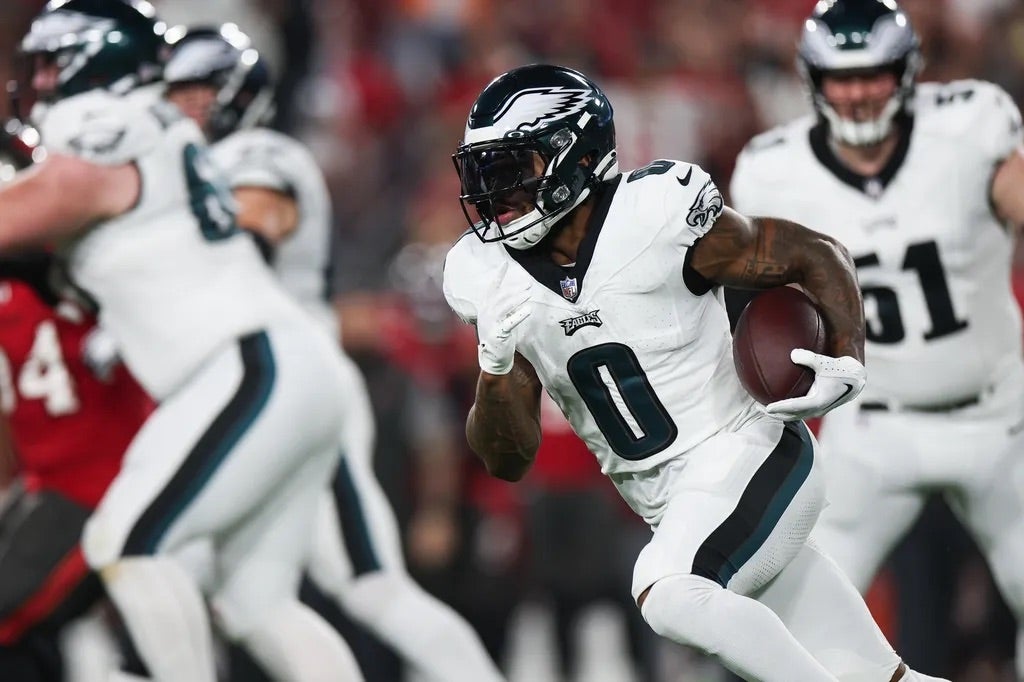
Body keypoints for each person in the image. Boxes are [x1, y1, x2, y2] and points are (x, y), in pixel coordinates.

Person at [443, 61, 948, 682]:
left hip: (750, 452)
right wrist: (494, 367)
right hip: (678, 504)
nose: (496, 195)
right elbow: (507, 458)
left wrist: (848, 351)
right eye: (483, 174)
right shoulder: (484, 273)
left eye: (513, 171)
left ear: (575, 156)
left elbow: (811, 254)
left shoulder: (654, 213)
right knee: (881, 677)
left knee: (666, 588)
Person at [3, 1, 364, 680]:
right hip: (279, 365)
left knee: (129, 542)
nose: (41, 78)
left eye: (52, 60)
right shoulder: (161, 124)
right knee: (257, 603)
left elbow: (66, 187)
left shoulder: (107, 121)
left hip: (243, 366)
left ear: (95, 56)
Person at [162, 25, 505, 682]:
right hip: (274, 404)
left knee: (155, 554)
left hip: (291, 400)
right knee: (262, 600)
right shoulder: (237, 168)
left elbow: (243, 269)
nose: (174, 110)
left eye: (190, 93)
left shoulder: (261, 162)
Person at [728, 0, 1024, 677]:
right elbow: (741, 299)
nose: (857, 94)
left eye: (873, 75)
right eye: (840, 77)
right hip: (871, 425)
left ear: (906, 73)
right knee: (782, 612)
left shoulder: (967, 126)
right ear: (813, 81)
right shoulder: (772, 170)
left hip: (997, 416)